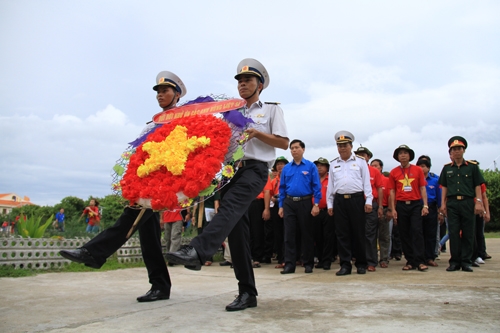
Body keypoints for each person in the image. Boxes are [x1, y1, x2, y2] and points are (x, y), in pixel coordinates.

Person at [166, 58, 289, 311]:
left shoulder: (272, 110)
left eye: (248, 81)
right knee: (237, 233)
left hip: (255, 169)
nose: (243, 84)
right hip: (231, 171)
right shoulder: (231, 114)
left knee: (229, 208)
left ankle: (199, 251)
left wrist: (257, 133)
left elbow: (283, 143)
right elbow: (224, 147)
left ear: (260, 85)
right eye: (240, 81)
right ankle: (247, 293)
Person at [60, 70, 186, 302]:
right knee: (149, 238)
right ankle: (160, 286)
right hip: (144, 183)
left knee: (128, 219)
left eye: (165, 91)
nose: (160, 95)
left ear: (177, 94)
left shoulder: (183, 119)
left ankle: (93, 252)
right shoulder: (153, 123)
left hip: (162, 184)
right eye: (157, 91)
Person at [326, 131, 373, 276]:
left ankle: (361, 264)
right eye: (339, 146)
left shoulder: (360, 161)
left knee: (358, 233)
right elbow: (330, 186)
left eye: (345, 145)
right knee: (342, 234)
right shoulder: (334, 163)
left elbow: (366, 182)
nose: (342, 148)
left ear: (351, 146)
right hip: (340, 201)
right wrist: (330, 204)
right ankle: (345, 265)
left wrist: (369, 200)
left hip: (356, 200)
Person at [439, 136, 485, 272]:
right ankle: (454, 261)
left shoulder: (472, 167)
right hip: (452, 202)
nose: (456, 151)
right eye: (454, 149)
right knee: (453, 232)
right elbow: (444, 187)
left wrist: (478, 202)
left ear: (464, 150)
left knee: (468, 232)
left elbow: (477, 186)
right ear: (451, 152)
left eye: (459, 149)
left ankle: (466, 261)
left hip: (467, 202)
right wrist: (443, 204)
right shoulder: (447, 169)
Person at [278, 140, 321, 274]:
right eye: (292, 148)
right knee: (289, 234)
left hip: (305, 202)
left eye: (297, 148)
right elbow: (282, 188)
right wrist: (281, 206)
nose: (294, 150)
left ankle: (308, 263)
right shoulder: (287, 168)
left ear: (303, 149)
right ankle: (290, 264)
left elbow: (316, 186)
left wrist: (316, 204)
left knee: (306, 233)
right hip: (289, 202)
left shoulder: (310, 166)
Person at [388, 145, 429, 272]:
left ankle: (420, 261)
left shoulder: (417, 170)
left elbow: (422, 188)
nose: (403, 155)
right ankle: (410, 260)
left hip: (416, 204)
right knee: (404, 233)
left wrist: (425, 205)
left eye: (405, 153)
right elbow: (392, 191)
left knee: (417, 231)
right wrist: (393, 209)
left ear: (410, 156)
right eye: (400, 153)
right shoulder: (394, 172)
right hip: (401, 204)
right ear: (397, 157)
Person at [355, 146, 383, 272]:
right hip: (356, 204)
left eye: (363, 154)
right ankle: (359, 259)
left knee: (370, 233)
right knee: (357, 233)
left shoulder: (374, 171)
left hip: (371, 204)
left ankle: (371, 261)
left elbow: (379, 188)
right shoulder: (353, 169)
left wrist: (381, 206)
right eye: (358, 154)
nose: (361, 156)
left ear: (368, 157)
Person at [311, 157, 337, 270]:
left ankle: (327, 260)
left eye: (322, 165)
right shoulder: (312, 180)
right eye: (317, 165)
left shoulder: (331, 179)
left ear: (327, 167)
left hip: (328, 211)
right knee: (318, 236)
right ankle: (321, 259)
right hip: (315, 211)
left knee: (328, 236)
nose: (319, 167)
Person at [416, 157, 441, 267]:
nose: (421, 169)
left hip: (431, 207)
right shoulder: (415, 180)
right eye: (419, 166)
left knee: (431, 233)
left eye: (423, 166)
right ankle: (420, 257)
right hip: (417, 206)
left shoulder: (435, 180)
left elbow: (439, 196)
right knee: (418, 233)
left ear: (428, 168)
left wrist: (440, 210)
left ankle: (430, 257)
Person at [370, 158, 392, 267]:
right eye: (372, 166)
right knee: (371, 235)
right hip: (372, 208)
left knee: (384, 235)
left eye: (376, 166)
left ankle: (384, 259)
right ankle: (372, 258)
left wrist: (390, 210)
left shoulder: (386, 180)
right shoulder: (370, 179)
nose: (374, 168)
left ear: (381, 167)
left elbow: (390, 196)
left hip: (383, 208)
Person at [270, 156, 289, 269]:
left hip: (288, 204)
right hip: (276, 206)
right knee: (278, 233)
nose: (280, 166)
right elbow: (270, 193)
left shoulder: (289, 177)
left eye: (282, 164)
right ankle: (281, 258)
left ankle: (291, 258)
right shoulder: (274, 181)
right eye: (278, 164)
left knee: (289, 232)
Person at [193, 193, 221, 266]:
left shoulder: (213, 189)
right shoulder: (199, 191)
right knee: (200, 236)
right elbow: (196, 203)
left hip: (209, 216)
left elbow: (216, 203)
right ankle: (201, 257)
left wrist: (217, 215)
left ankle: (208, 258)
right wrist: (193, 216)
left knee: (208, 237)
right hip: (200, 216)